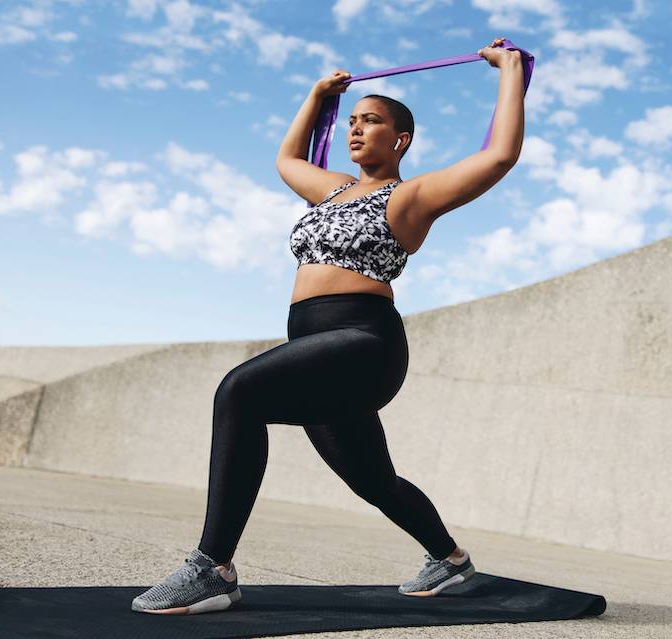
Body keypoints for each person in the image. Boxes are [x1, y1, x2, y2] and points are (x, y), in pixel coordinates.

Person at [131, 37, 525, 615]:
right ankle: (451, 560)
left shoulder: (410, 196)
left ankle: (213, 566)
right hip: (315, 345)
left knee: (239, 391)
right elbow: (287, 162)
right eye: (353, 121)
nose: (356, 129)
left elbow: (499, 156)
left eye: (372, 121)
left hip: (365, 345)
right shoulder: (335, 190)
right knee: (372, 480)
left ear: (401, 139)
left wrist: (510, 70)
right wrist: (317, 98)